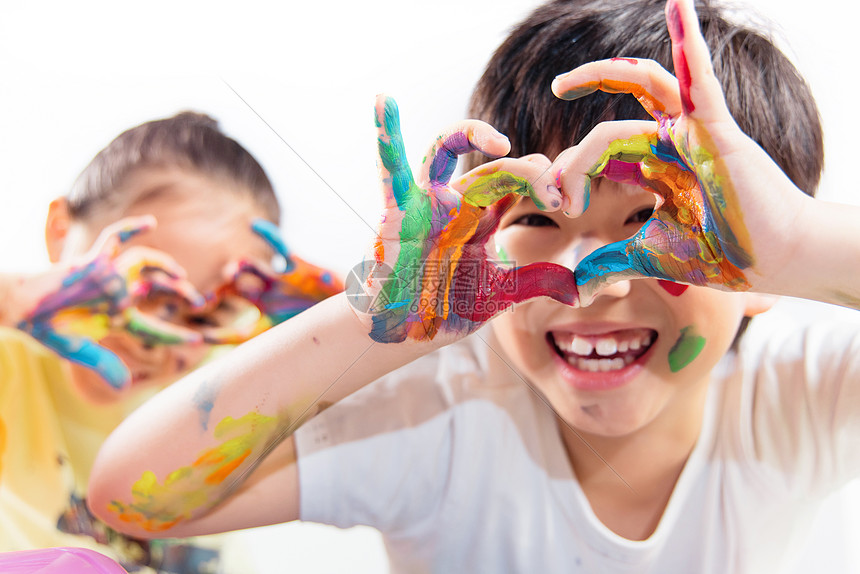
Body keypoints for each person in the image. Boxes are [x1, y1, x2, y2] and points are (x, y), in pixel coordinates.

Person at [88, 0, 860, 572]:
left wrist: (797, 245)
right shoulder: (437, 413)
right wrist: (376, 321)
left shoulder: (800, 393)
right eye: (539, 218)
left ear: (758, 269)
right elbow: (132, 497)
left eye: (650, 225)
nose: (587, 286)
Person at [0, 111, 341, 572]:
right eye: (136, 286)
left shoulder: (230, 389)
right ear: (61, 233)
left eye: (205, 313)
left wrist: (331, 336)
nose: (153, 338)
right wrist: (12, 299)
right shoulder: (9, 361)